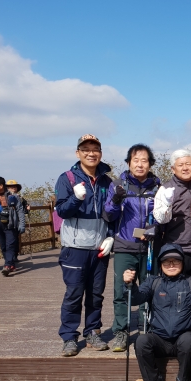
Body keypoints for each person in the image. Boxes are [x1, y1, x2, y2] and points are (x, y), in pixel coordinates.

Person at [54, 134, 114, 357]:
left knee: (96, 294)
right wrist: (76, 198)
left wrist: (111, 236)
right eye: (86, 149)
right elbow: (61, 211)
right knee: (74, 293)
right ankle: (69, 337)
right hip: (75, 248)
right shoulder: (67, 178)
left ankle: (92, 332)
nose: (91, 153)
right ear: (77, 152)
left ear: (101, 152)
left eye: (95, 149)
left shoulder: (107, 181)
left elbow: (113, 214)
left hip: (99, 247)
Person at [126, 243, 191, 381]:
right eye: (167, 262)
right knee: (141, 341)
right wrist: (130, 284)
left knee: (188, 340)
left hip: (183, 337)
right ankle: (152, 379)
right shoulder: (153, 282)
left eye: (176, 261)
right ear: (161, 264)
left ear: (182, 263)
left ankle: (184, 379)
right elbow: (136, 298)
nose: (171, 265)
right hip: (159, 337)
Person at [104, 144, 161, 352]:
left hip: (149, 247)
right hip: (124, 246)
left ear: (150, 164)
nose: (139, 164)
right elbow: (108, 215)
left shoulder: (157, 186)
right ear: (128, 162)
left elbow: (162, 216)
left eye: (144, 160)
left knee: (150, 289)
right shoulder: (118, 185)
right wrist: (116, 199)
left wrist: (154, 229)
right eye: (135, 160)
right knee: (121, 290)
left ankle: (147, 327)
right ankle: (121, 331)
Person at [153, 149, 191, 279]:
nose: (185, 168)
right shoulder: (166, 188)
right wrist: (167, 203)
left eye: (188, 164)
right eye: (180, 165)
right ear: (173, 169)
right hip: (177, 249)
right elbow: (160, 219)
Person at [5, 180, 30, 265]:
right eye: (10, 187)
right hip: (7, 222)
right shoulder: (3, 197)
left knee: (15, 239)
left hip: (17, 221)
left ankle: (14, 256)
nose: (13, 188)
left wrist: (27, 208)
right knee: (10, 240)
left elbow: (24, 209)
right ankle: (10, 257)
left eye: (14, 187)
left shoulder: (21, 198)